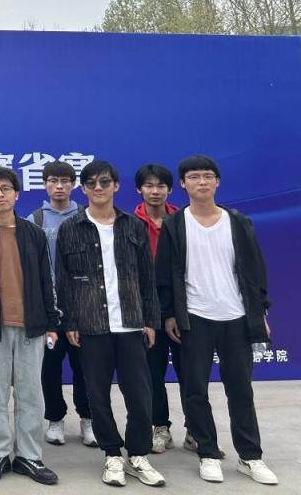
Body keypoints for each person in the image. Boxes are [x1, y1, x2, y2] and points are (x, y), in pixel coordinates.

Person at [156, 155, 278, 485]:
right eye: (194, 177)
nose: (202, 182)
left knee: (240, 390)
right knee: (195, 390)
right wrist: (169, 314)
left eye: (208, 176)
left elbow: (254, 271)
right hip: (195, 317)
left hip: (236, 316)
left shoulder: (237, 222)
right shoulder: (174, 224)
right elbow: (165, 274)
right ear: (183, 184)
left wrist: (259, 311)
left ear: (217, 182)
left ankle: (250, 457)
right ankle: (207, 453)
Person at [55, 160, 165, 487]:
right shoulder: (70, 228)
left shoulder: (133, 226)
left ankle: (138, 454)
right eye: (91, 183)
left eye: (105, 182)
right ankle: (112, 454)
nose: (98, 188)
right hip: (91, 324)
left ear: (116, 185)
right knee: (97, 395)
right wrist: (70, 321)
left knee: (140, 396)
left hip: (131, 323)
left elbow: (147, 278)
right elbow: (64, 281)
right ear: (83, 189)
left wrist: (150, 320)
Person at [0, 167, 59, 485]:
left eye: (5, 188)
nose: (0, 194)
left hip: (32, 325)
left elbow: (46, 280)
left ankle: (29, 456)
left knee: (31, 394)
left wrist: (52, 322)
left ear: (17, 194)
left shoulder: (34, 234)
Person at [27, 160, 94, 448]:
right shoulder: (36, 219)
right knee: (50, 368)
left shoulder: (85, 215)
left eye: (65, 181)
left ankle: (88, 419)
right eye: (53, 181)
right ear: (44, 184)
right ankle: (55, 420)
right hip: (49, 309)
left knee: (86, 367)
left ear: (73, 184)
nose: (59, 186)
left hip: (83, 306)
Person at [132, 164, 184, 454]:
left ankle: (196, 429)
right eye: (149, 185)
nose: (155, 191)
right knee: (152, 374)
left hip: (183, 309)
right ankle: (160, 427)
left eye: (160, 186)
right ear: (139, 189)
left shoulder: (182, 220)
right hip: (146, 311)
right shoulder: (129, 223)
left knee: (190, 373)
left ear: (170, 189)